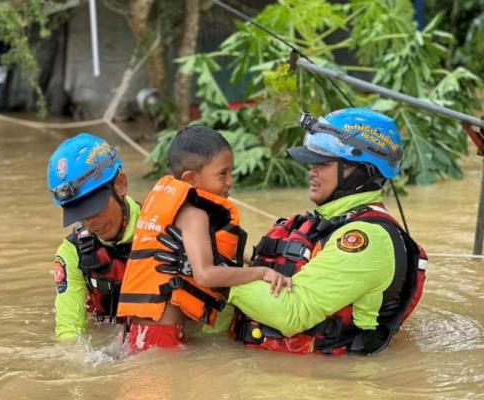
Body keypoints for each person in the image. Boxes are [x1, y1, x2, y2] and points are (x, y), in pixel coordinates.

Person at [228, 108, 428, 356]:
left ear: (360, 169)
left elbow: (292, 313)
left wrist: (215, 277)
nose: (312, 171)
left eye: (323, 163)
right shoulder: (331, 221)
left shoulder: (367, 239)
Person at [117, 125, 288, 353]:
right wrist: (263, 272)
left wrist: (251, 260)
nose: (230, 182)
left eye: (231, 173)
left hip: (138, 331)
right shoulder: (195, 216)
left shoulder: (169, 208)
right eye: (222, 174)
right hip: (162, 335)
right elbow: (206, 274)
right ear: (190, 179)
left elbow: (198, 254)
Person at [47, 133, 140, 341]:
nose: (91, 222)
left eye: (95, 208)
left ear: (121, 185)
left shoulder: (162, 230)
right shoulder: (73, 252)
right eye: (81, 214)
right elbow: (69, 330)